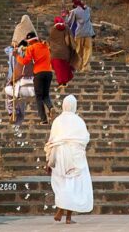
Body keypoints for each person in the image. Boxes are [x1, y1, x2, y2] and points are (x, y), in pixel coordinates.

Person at [45, 95, 93, 223]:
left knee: (62, 183)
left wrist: (48, 160)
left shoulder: (58, 121)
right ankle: (68, 217)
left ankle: (61, 209)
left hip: (60, 154)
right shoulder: (79, 121)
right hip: (74, 155)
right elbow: (85, 138)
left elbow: (51, 140)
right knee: (73, 184)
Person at [17, 32, 54, 125]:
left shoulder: (31, 48)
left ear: (30, 41)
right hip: (49, 72)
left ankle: (44, 120)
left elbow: (25, 61)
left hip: (39, 73)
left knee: (39, 97)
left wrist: (16, 56)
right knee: (46, 95)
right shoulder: (45, 45)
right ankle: (51, 107)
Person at [4, 41, 35, 124]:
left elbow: (16, 75)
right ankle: (16, 115)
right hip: (32, 89)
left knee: (8, 90)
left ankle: (12, 112)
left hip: (20, 87)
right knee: (20, 101)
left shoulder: (18, 57)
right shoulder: (33, 61)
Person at [66, 0, 95, 73]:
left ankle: (78, 67)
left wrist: (67, 15)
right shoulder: (88, 9)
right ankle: (86, 67)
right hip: (88, 33)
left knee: (78, 50)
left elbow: (68, 22)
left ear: (75, 4)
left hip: (79, 33)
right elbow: (87, 8)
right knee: (88, 50)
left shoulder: (74, 11)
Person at [49, 17, 74, 90]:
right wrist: (72, 47)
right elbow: (69, 40)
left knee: (58, 69)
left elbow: (50, 41)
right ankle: (65, 81)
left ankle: (61, 82)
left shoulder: (53, 29)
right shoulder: (67, 28)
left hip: (55, 53)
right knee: (65, 67)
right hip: (65, 52)